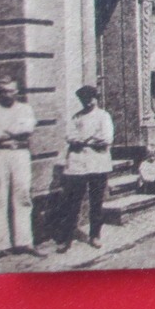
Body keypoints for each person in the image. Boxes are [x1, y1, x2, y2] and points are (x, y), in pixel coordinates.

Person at [0, 76, 44, 259]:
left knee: (22, 195)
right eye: (3, 91)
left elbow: (28, 130)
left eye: (11, 90)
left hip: (20, 155)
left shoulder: (25, 109)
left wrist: (3, 131)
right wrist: (13, 130)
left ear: (17, 92)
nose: (7, 94)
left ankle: (25, 242)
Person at [58, 85, 114, 252]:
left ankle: (95, 235)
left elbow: (105, 138)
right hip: (78, 164)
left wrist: (83, 141)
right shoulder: (77, 117)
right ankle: (67, 237)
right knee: (73, 202)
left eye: (91, 98)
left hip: (98, 163)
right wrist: (87, 140)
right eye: (84, 99)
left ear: (96, 98)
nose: (88, 102)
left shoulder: (103, 116)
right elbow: (70, 136)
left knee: (96, 202)